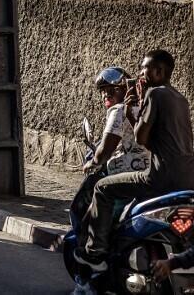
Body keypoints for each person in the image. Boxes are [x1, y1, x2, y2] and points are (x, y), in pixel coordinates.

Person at [76, 49, 194, 275]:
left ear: (159, 71)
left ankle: (95, 253)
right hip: (187, 179)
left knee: (102, 188)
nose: (141, 73)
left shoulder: (154, 94)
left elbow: (140, 137)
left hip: (159, 177)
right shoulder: (181, 99)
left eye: (145, 68)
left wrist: (132, 108)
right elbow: (152, 143)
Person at [71, 67, 150, 250]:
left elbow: (104, 152)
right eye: (103, 90)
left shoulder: (119, 111)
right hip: (153, 173)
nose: (106, 94)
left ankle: (96, 252)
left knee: (98, 200)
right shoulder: (147, 106)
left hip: (127, 175)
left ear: (127, 89)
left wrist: (91, 163)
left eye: (113, 89)